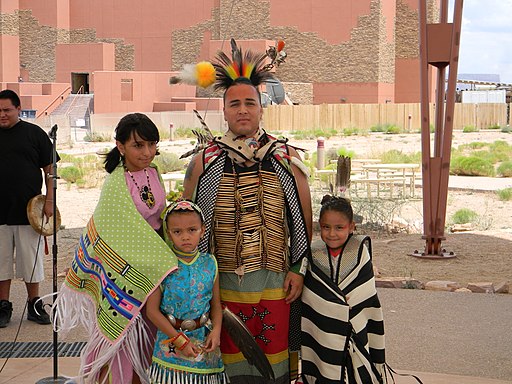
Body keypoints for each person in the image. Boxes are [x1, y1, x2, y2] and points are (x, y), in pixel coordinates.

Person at [183, 40, 312, 384]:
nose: (242, 110)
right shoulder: (204, 164)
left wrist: (298, 269)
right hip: (220, 285)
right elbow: (188, 227)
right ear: (224, 111)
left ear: (261, 108)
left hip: (274, 281)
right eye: (235, 103)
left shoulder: (285, 159)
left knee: (274, 367)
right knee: (228, 364)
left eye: (250, 103)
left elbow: (301, 220)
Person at [53, 113, 178, 383]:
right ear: (120, 146)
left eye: (152, 145)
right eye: (138, 145)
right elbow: (113, 235)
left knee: (145, 337)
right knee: (121, 339)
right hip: (125, 270)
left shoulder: (153, 172)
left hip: (151, 266)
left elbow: (159, 220)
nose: (147, 152)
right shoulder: (115, 185)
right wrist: (157, 257)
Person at [300, 195, 387, 384]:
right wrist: (335, 305)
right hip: (323, 330)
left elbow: (366, 289)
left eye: (339, 228)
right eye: (326, 227)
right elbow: (310, 293)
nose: (332, 233)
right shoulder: (314, 254)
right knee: (323, 369)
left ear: (352, 227)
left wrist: (342, 305)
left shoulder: (359, 251)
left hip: (353, 329)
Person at [146, 200, 226, 384]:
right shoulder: (162, 264)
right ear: (168, 233)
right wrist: (179, 340)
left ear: (202, 230)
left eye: (192, 230)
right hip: (170, 341)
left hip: (203, 341)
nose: (185, 237)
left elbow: (215, 304)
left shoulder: (209, 263)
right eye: (177, 232)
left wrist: (216, 332)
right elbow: (152, 311)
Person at [0, 89, 56, 327]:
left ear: (18, 109)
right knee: (1, 262)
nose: (2, 115)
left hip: (29, 212)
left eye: (7, 110)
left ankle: (34, 303)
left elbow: (50, 170)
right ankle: (3, 306)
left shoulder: (34, 134)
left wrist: (50, 201)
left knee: (30, 261)